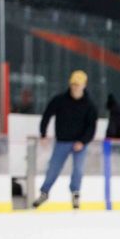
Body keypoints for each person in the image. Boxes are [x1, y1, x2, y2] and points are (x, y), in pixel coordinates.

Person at [32, 71, 98, 210]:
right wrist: (43, 134)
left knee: (78, 170)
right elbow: (47, 115)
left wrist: (82, 141)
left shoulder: (90, 106)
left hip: (79, 143)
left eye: (78, 85)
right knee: (53, 168)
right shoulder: (60, 100)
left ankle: (75, 193)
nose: (75, 87)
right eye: (73, 84)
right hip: (62, 141)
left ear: (84, 85)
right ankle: (44, 192)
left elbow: (91, 128)